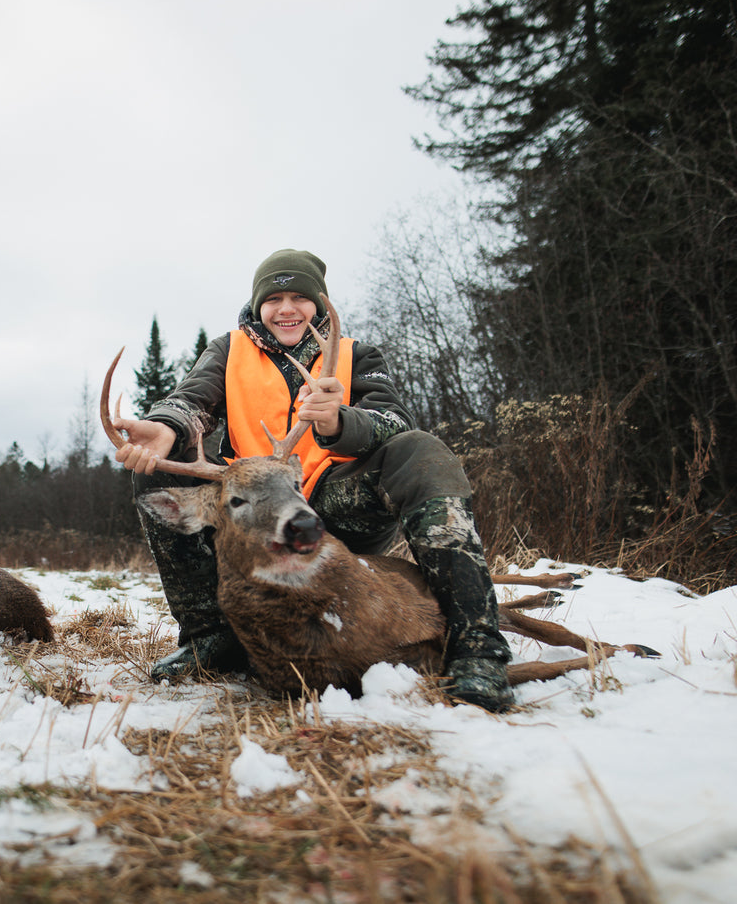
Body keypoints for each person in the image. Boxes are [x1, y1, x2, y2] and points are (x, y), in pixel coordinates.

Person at [112, 249, 515, 711]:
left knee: (420, 450)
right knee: (156, 468)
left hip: (333, 502)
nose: (286, 309)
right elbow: (192, 399)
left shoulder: (354, 354)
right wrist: (166, 426)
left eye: (299, 297)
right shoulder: (228, 351)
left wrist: (340, 423)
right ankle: (211, 636)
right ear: (258, 305)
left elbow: (393, 421)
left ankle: (476, 647)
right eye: (274, 298)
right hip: (253, 512)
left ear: (319, 305)